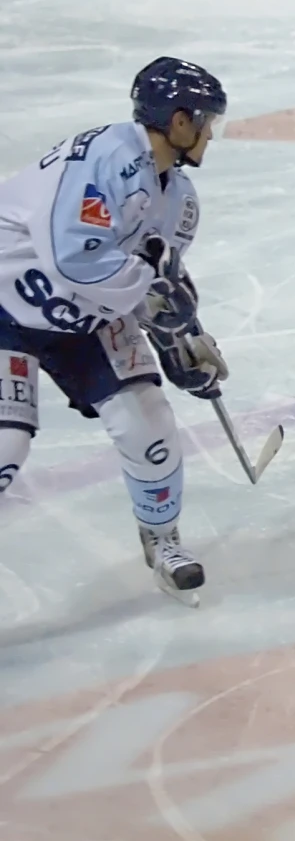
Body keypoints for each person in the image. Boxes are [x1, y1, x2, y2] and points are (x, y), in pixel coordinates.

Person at [0, 60, 234, 603]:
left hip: (83, 317)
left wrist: (185, 344)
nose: (209, 133)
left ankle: (163, 538)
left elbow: (162, 274)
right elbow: (74, 260)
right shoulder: (104, 157)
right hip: (6, 309)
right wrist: (155, 297)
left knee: (148, 421)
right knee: (5, 444)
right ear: (177, 122)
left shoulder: (178, 197)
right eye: (205, 121)